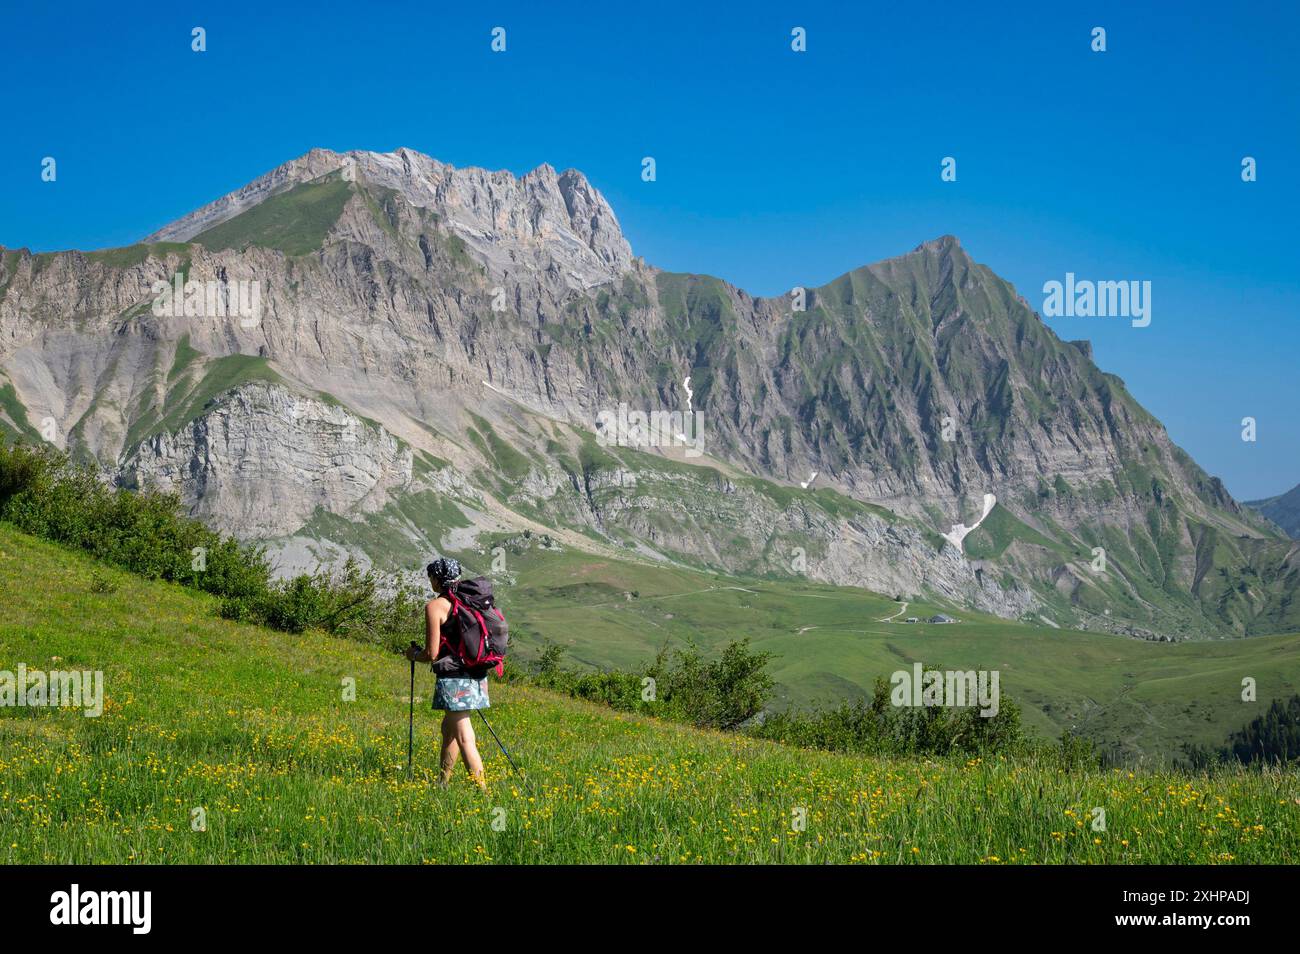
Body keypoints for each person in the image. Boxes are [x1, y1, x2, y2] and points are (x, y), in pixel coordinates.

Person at [404, 557, 489, 790]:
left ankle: (484, 793)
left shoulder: (435, 606)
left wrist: (413, 654)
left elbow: (431, 653)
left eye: (431, 577)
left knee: (464, 737)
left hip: (454, 680)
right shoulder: (472, 601)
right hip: (477, 675)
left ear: (436, 579)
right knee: (449, 730)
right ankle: (443, 783)